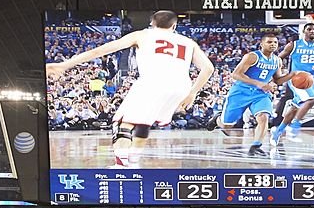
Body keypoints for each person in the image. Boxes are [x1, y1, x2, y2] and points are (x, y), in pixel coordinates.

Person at [46, 10, 215, 167]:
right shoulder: (188, 42)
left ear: (152, 23)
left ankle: (121, 166)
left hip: (153, 82)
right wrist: (192, 93)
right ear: (174, 26)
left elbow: (99, 51)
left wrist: (64, 65)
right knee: (143, 123)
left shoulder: (142, 35)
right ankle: (133, 161)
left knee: (121, 123)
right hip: (181, 87)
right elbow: (208, 68)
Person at [210, 31, 293, 156]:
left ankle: (256, 145)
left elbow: (278, 80)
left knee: (263, 117)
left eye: (275, 42)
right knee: (226, 126)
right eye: (269, 42)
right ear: (261, 44)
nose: (273, 45)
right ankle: (217, 119)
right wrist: (258, 83)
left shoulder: (277, 61)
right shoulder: (252, 56)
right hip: (240, 92)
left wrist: (292, 75)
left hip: (260, 94)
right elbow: (235, 74)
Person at [272, 22, 314, 143]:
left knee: (295, 107)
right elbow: (278, 59)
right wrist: (279, 72)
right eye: (309, 29)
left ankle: (278, 131)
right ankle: (294, 126)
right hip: (297, 79)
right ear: (304, 31)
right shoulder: (293, 45)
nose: (312, 31)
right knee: (312, 100)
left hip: (313, 80)